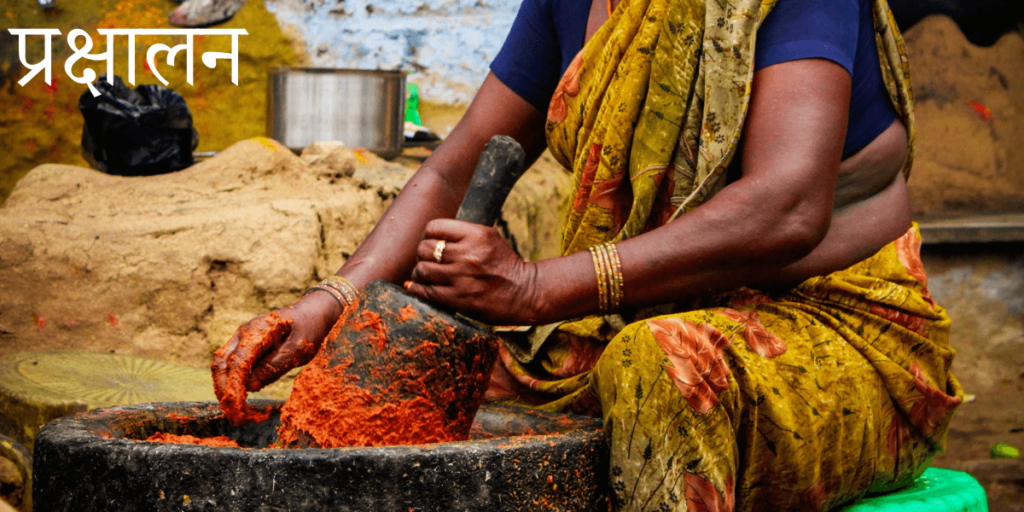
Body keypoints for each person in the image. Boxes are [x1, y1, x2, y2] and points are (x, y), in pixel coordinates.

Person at [214, 0, 964, 509]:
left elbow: (789, 206)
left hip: (838, 334)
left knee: (660, 367)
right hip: (621, 325)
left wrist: (538, 289)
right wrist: (330, 303)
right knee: (434, 388)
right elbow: (453, 166)